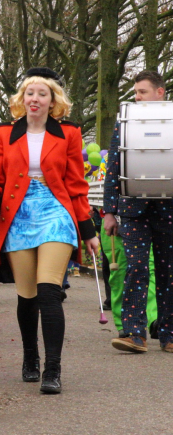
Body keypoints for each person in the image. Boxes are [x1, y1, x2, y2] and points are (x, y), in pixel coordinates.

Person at [0, 67, 99, 394]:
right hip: (16, 213)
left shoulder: (69, 134)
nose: (35, 99)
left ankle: (53, 369)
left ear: (52, 101)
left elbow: (76, 185)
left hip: (55, 210)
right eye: (30, 93)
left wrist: (88, 230)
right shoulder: (3, 134)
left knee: (49, 291)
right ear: (22, 99)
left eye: (42, 94)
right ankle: (30, 356)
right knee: (27, 295)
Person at [103, 70, 172, 354]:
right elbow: (113, 169)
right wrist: (109, 211)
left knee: (169, 272)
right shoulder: (124, 122)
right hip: (133, 209)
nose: (137, 96)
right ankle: (134, 333)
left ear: (160, 92)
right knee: (136, 268)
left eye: (142, 91)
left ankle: (169, 335)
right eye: (135, 92)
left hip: (169, 207)